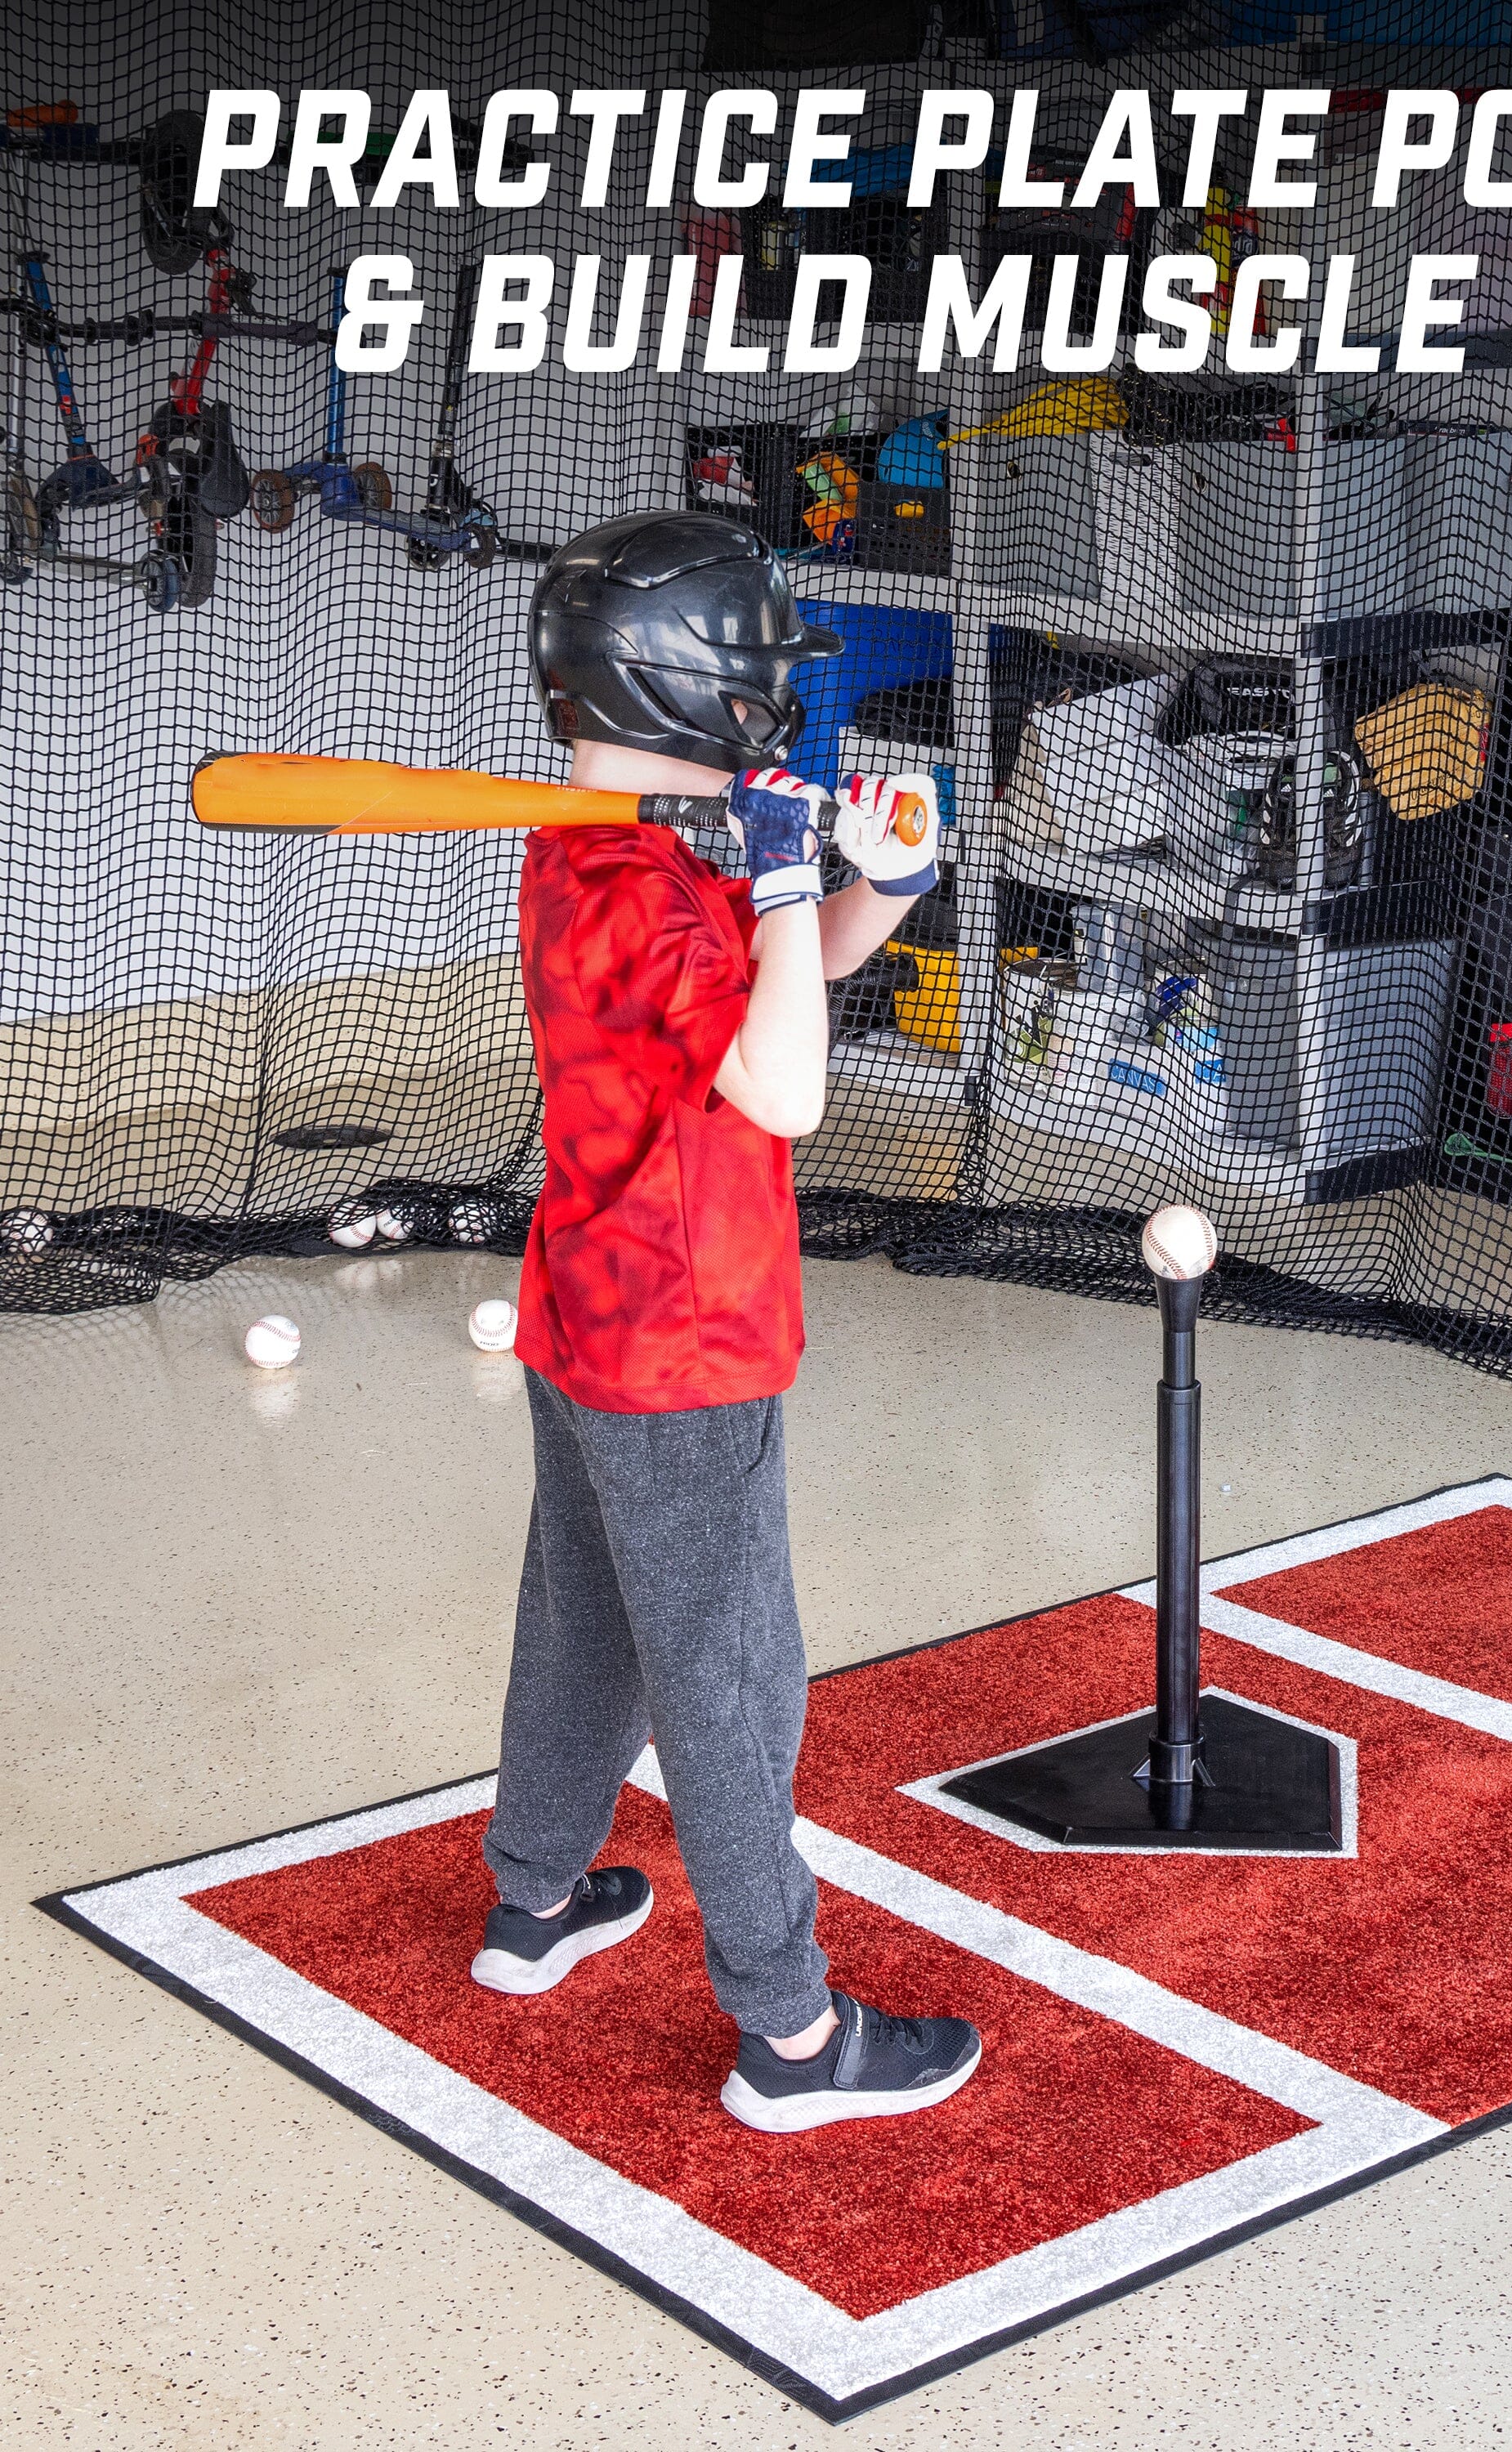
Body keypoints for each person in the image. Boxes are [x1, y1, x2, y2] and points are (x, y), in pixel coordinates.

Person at [467, 511, 982, 2132]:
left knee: (588, 1624)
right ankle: (793, 2034)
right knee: (730, 1676)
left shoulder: (593, 853)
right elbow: (787, 1087)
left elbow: (768, 997)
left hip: (588, 1312)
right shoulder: (660, 884)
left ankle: (534, 1897)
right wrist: (777, 877)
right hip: (686, 1344)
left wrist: (868, 892)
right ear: (701, 691)